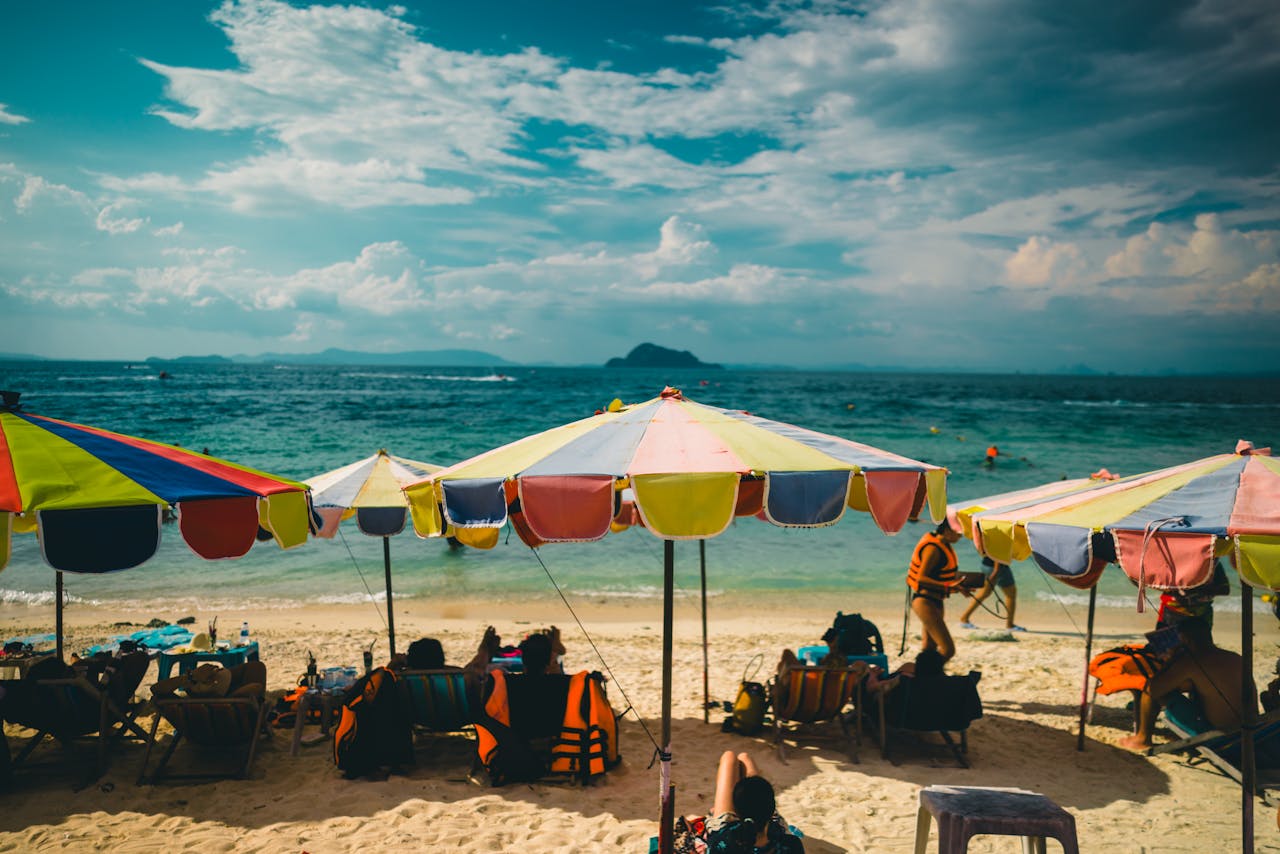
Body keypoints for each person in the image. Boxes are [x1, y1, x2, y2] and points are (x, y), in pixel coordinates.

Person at [1119, 617, 1256, 751]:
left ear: (1185, 640)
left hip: (1220, 736)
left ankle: (1142, 739)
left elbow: (1152, 689)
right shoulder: (1235, 657)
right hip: (1250, 731)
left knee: (1153, 692)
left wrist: (1173, 659)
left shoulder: (1190, 662)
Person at [905, 521, 982, 662]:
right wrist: (949, 587)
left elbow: (940, 575)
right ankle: (928, 675)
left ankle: (923, 679)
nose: (960, 536)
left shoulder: (943, 544)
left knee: (929, 648)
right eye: (957, 532)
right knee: (948, 650)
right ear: (946, 530)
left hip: (936, 601)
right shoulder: (933, 549)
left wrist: (959, 586)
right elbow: (921, 579)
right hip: (924, 601)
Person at [705, 750, 804, 853]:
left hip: (728, 833)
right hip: (761, 830)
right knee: (744, 758)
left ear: (736, 811)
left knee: (729, 757)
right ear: (772, 811)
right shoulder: (792, 844)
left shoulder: (721, 845)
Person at [1156, 559, 1231, 630]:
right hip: (1171, 612)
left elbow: (1225, 589)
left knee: (1199, 643)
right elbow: (1156, 583)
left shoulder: (1213, 563)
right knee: (1166, 642)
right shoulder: (1172, 559)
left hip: (1201, 613)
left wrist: (1196, 589)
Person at [959, 556, 1025, 632]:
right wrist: (996, 570)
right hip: (998, 567)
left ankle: (964, 618)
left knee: (984, 593)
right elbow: (999, 550)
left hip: (987, 564)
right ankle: (1010, 625)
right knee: (1011, 595)